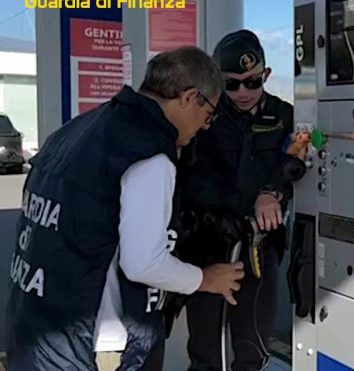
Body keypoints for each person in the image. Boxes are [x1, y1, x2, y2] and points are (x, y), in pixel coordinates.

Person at [4, 46, 246, 371]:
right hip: (92, 346)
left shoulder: (77, 130)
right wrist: (205, 279)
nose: (205, 127)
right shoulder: (148, 154)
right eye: (209, 115)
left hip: (33, 330)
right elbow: (143, 264)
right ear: (190, 97)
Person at [175, 29, 307, 371]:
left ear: (266, 75)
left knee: (252, 349)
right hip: (208, 247)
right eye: (232, 84)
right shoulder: (202, 115)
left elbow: (298, 161)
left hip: (259, 248)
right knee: (206, 353)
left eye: (252, 82)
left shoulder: (284, 117)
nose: (244, 92)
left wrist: (272, 192)